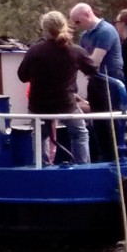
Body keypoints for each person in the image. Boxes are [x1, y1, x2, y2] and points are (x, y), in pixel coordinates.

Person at [17, 11, 98, 165]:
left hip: (39, 105)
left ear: (44, 29)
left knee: (40, 136)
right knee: (79, 133)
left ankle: (42, 167)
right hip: (66, 104)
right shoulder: (74, 51)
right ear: (64, 26)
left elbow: (22, 76)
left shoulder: (35, 50)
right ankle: (82, 167)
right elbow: (93, 70)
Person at [70, 3, 124, 160]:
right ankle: (102, 155)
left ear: (87, 14)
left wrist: (80, 65)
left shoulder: (105, 31)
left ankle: (114, 156)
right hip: (95, 79)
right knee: (96, 119)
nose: (76, 26)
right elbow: (81, 59)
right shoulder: (85, 35)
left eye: (78, 22)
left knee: (109, 121)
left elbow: (94, 61)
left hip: (111, 79)